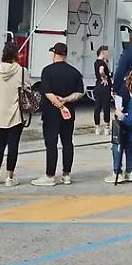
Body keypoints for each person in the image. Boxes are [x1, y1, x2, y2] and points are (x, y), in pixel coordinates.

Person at [32, 43, 85, 186]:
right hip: (69, 113)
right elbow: (80, 93)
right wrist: (66, 101)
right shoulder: (74, 72)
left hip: (51, 113)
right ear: (65, 55)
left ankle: (50, 175)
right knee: (67, 142)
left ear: (54, 54)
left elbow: (48, 93)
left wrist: (60, 106)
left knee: (51, 144)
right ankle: (66, 175)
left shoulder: (47, 71)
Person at [0, 41, 27, 186]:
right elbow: (27, 89)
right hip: (16, 114)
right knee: (13, 145)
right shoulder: (22, 71)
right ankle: (9, 178)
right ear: (16, 54)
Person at [93, 46, 113, 135]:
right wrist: (104, 78)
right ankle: (106, 127)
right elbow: (101, 71)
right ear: (102, 52)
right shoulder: (101, 63)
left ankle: (97, 127)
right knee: (106, 107)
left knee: (97, 106)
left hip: (98, 86)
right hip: (104, 87)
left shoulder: (96, 62)